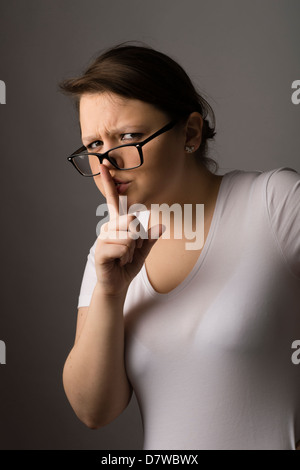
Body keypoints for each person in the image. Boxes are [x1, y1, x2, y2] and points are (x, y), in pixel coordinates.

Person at [60, 43, 300, 450]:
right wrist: (110, 292)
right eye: (95, 147)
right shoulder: (110, 253)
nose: (107, 165)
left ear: (189, 132)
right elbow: (94, 411)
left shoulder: (273, 202)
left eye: (128, 137)